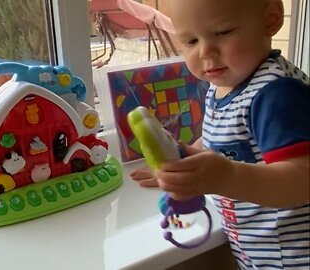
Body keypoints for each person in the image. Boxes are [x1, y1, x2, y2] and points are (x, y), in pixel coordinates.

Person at [130, 0, 310, 268]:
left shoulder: (275, 94)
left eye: (223, 32)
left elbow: (302, 178)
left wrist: (227, 177)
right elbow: (224, 141)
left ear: (270, 20)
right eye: (190, 41)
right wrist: (185, 167)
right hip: (260, 253)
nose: (205, 52)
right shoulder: (225, 84)